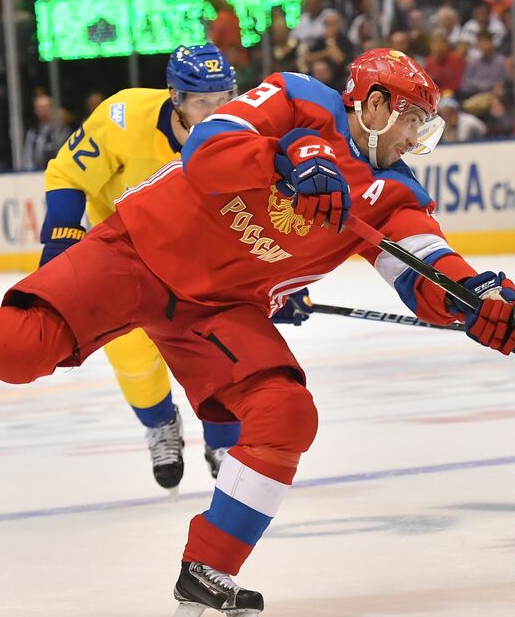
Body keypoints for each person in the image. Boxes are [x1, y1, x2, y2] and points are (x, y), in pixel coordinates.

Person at [0, 48, 515, 617]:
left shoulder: (396, 195)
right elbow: (211, 149)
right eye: (412, 121)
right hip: (141, 247)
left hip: (217, 307)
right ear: (372, 104)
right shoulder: (298, 97)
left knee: (286, 412)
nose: (415, 139)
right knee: (22, 350)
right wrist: (286, 161)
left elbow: (429, 271)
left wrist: (481, 303)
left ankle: (207, 575)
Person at [35, 43, 313, 491]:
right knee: (132, 356)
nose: (215, 112)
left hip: (208, 268)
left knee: (223, 353)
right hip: (126, 259)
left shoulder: (252, 130)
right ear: (174, 98)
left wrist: (283, 283)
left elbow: (269, 216)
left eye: (224, 100)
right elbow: (69, 173)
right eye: (202, 103)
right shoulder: (124, 116)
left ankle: (222, 441)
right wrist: (61, 230)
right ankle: (161, 423)